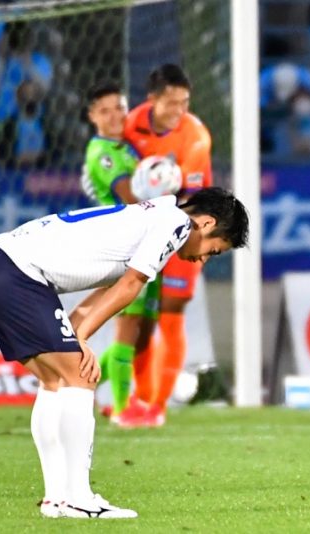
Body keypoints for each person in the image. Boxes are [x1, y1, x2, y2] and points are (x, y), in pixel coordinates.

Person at [0, 188, 249, 518]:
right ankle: (79, 499)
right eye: (214, 249)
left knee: (55, 381)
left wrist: (74, 334)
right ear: (207, 222)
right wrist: (78, 338)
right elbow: (129, 287)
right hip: (15, 274)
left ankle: (56, 500)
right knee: (80, 378)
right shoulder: (177, 224)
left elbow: (107, 289)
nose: (204, 258)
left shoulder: (153, 216)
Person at [122, 64, 213, 426]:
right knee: (140, 318)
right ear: (152, 100)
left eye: (184, 102)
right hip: (144, 227)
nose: (178, 111)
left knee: (170, 315)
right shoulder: (131, 127)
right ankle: (138, 400)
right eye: (171, 103)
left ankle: (157, 407)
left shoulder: (195, 136)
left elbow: (189, 194)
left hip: (188, 227)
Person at [80, 80, 163, 428]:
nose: (114, 116)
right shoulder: (102, 153)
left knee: (142, 329)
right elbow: (132, 197)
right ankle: (123, 408)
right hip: (127, 249)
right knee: (128, 327)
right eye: (105, 110)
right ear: (92, 117)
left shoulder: (126, 148)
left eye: (118, 107)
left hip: (145, 241)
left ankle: (107, 396)